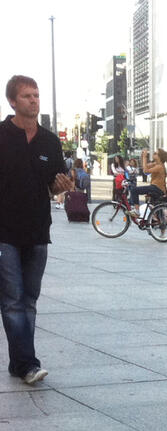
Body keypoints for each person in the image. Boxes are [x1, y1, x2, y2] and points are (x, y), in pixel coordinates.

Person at [0, 75, 74, 385]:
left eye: (37, 95)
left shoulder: (49, 140)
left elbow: (53, 184)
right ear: (13, 101)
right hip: (4, 232)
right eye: (28, 96)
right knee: (13, 299)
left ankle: (19, 363)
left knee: (29, 299)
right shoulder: (1, 135)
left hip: (38, 230)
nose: (34, 100)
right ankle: (29, 363)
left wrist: (62, 186)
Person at [130, 148, 167, 217]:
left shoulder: (160, 166)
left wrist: (145, 157)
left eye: (155, 153)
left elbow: (145, 171)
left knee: (134, 190)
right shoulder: (156, 164)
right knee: (154, 208)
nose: (153, 154)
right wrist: (143, 157)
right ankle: (160, 222)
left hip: (156, 188)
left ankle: (137, 211)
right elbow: (145, 166)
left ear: (159, 157)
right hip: (156, 188)